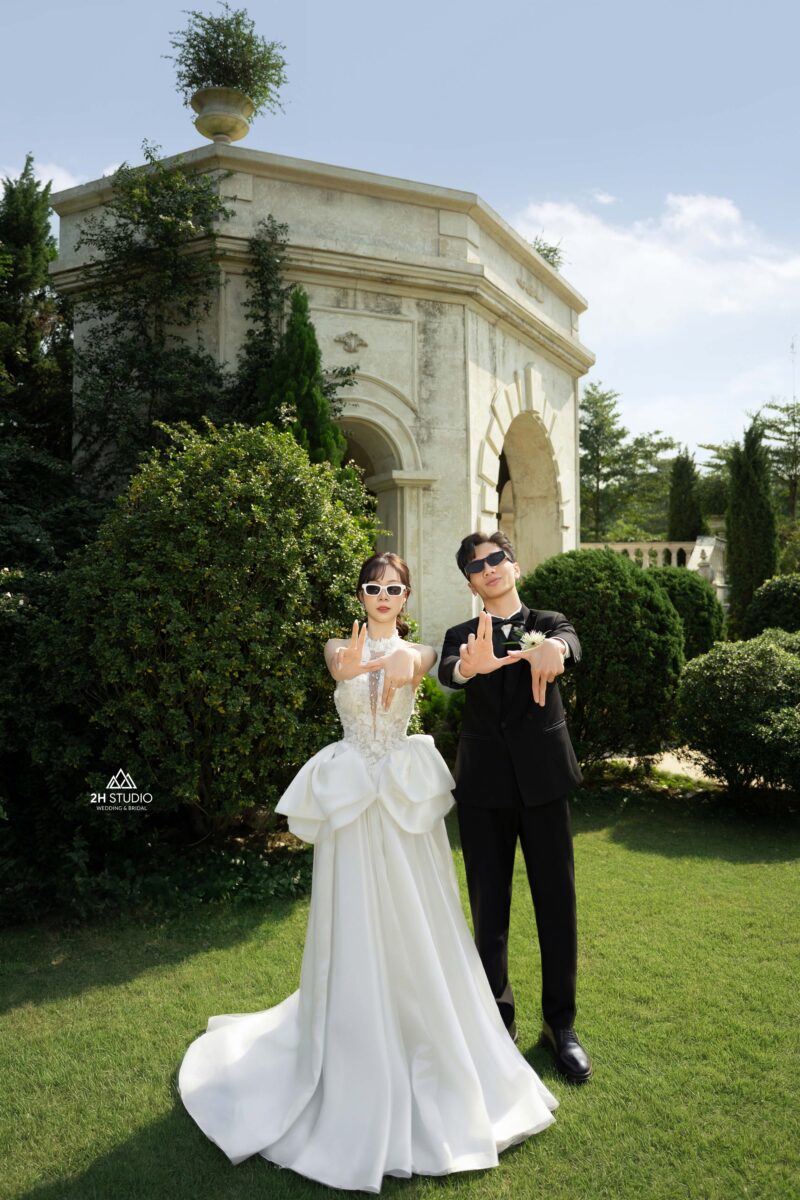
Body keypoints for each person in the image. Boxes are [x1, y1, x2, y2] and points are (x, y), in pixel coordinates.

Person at [178, 552, 560, 1193]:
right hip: (353, 797)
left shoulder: (420, 652)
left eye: (394, 588)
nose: (383, 595)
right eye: (373, 587)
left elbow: (435, 670)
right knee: (352, 917)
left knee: (418, 918)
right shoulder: (337, 646)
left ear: (406, 597)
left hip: (403, 801)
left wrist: (432, 662)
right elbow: (341, 668)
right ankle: (349, 1040)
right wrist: (354, 667)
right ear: (360, 595)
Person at [438, 531, 592, 1084]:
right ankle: (497, 1024)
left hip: (544, 784)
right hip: (483, 790)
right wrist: (470, 667)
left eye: (497, 558)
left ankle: (560, 1026)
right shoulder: (461, 635)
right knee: (490, 912)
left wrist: (556, 650)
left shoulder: (549, 622)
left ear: (515, 566)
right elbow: (449, 672)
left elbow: (570, 642)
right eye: (477, 566)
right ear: (471, 583)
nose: (490, 568)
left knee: (557, 905)